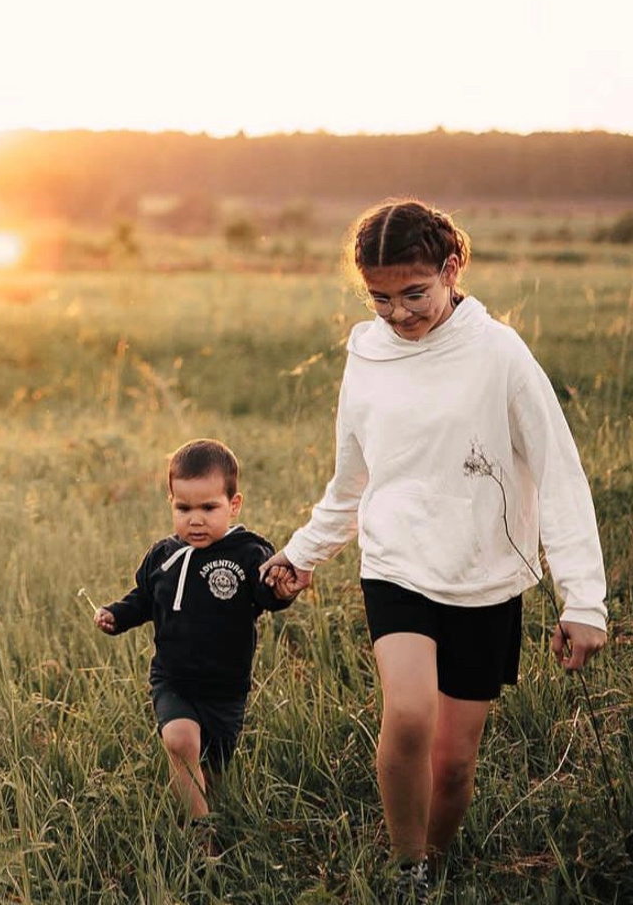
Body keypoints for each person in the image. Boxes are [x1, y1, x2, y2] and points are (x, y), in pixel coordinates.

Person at [260, 198, 608, 902]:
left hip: (484, 574)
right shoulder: (366, 351)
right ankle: (407, 865)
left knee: (453, 764)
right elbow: (354, 479)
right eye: (380, 298)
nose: (398, 313)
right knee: (410, 713)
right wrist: (303, 554)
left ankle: (437, 860)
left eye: (414, 293)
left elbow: (558, 468)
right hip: (396, 564)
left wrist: (585, 600)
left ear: (452, 270)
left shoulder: (499, 352)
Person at [94, 438, 296, 844]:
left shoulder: (248, 553)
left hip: (225, 688)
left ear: (233, 504)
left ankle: (212, 808)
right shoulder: (163, 555)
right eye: (183, 508)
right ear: (171, 502)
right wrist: (118, 614)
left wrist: (282, 592)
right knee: (181, 740)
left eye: (208, 508)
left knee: (214, 769)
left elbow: (267, 597)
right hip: (174, 680)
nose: (195, 520)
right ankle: (201, 837)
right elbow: (145, 598)